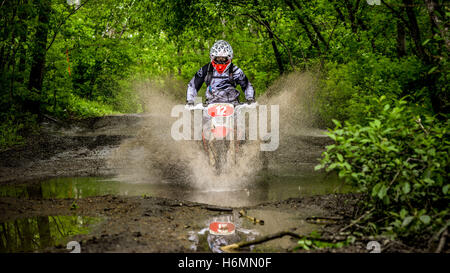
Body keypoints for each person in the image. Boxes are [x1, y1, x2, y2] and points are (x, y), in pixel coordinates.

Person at [186, 40, 255, 106]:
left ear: (229, 58)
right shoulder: (206, 69)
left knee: (244, 116)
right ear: (213, 57)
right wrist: (190, 101)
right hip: (210, 105)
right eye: (218, 58)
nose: (220, 61)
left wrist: (250, 98)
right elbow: (193, 85)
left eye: (223, 58)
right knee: (197, 117)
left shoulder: (236, 70)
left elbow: (247, 86)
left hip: (233, 105)